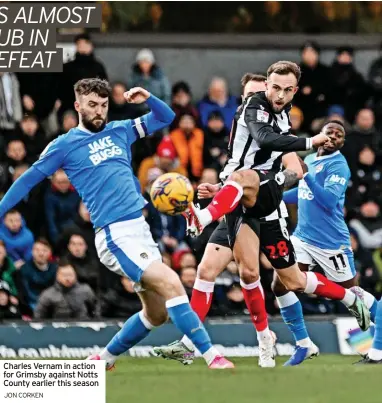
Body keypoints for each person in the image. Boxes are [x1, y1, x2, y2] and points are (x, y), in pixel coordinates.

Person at [0, 78, 233, 370]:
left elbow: (166, 117)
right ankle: (212, 356)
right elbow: (28, 180)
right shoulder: (64, 145)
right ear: (78, 106)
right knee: (173, 283)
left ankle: (103, 359)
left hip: (140, 229)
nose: (99, 111)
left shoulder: (119, 130)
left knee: (157, 314)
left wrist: (148, 97)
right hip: (114, 234)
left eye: (103, 105)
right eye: (92, 105)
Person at [279, 120, 378, 348]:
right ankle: (303, 344)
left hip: (330, 242)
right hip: (303, 237)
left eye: (339, 135)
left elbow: (328, 201)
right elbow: (303, 192)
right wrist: (278, 197)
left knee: (352, 291)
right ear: (320, 135)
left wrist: (307, 176)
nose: (333, 136)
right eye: (329, 132)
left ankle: (373, 336)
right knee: (283, 282)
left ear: (342, 143)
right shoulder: (312, 159)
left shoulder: (339, 166)